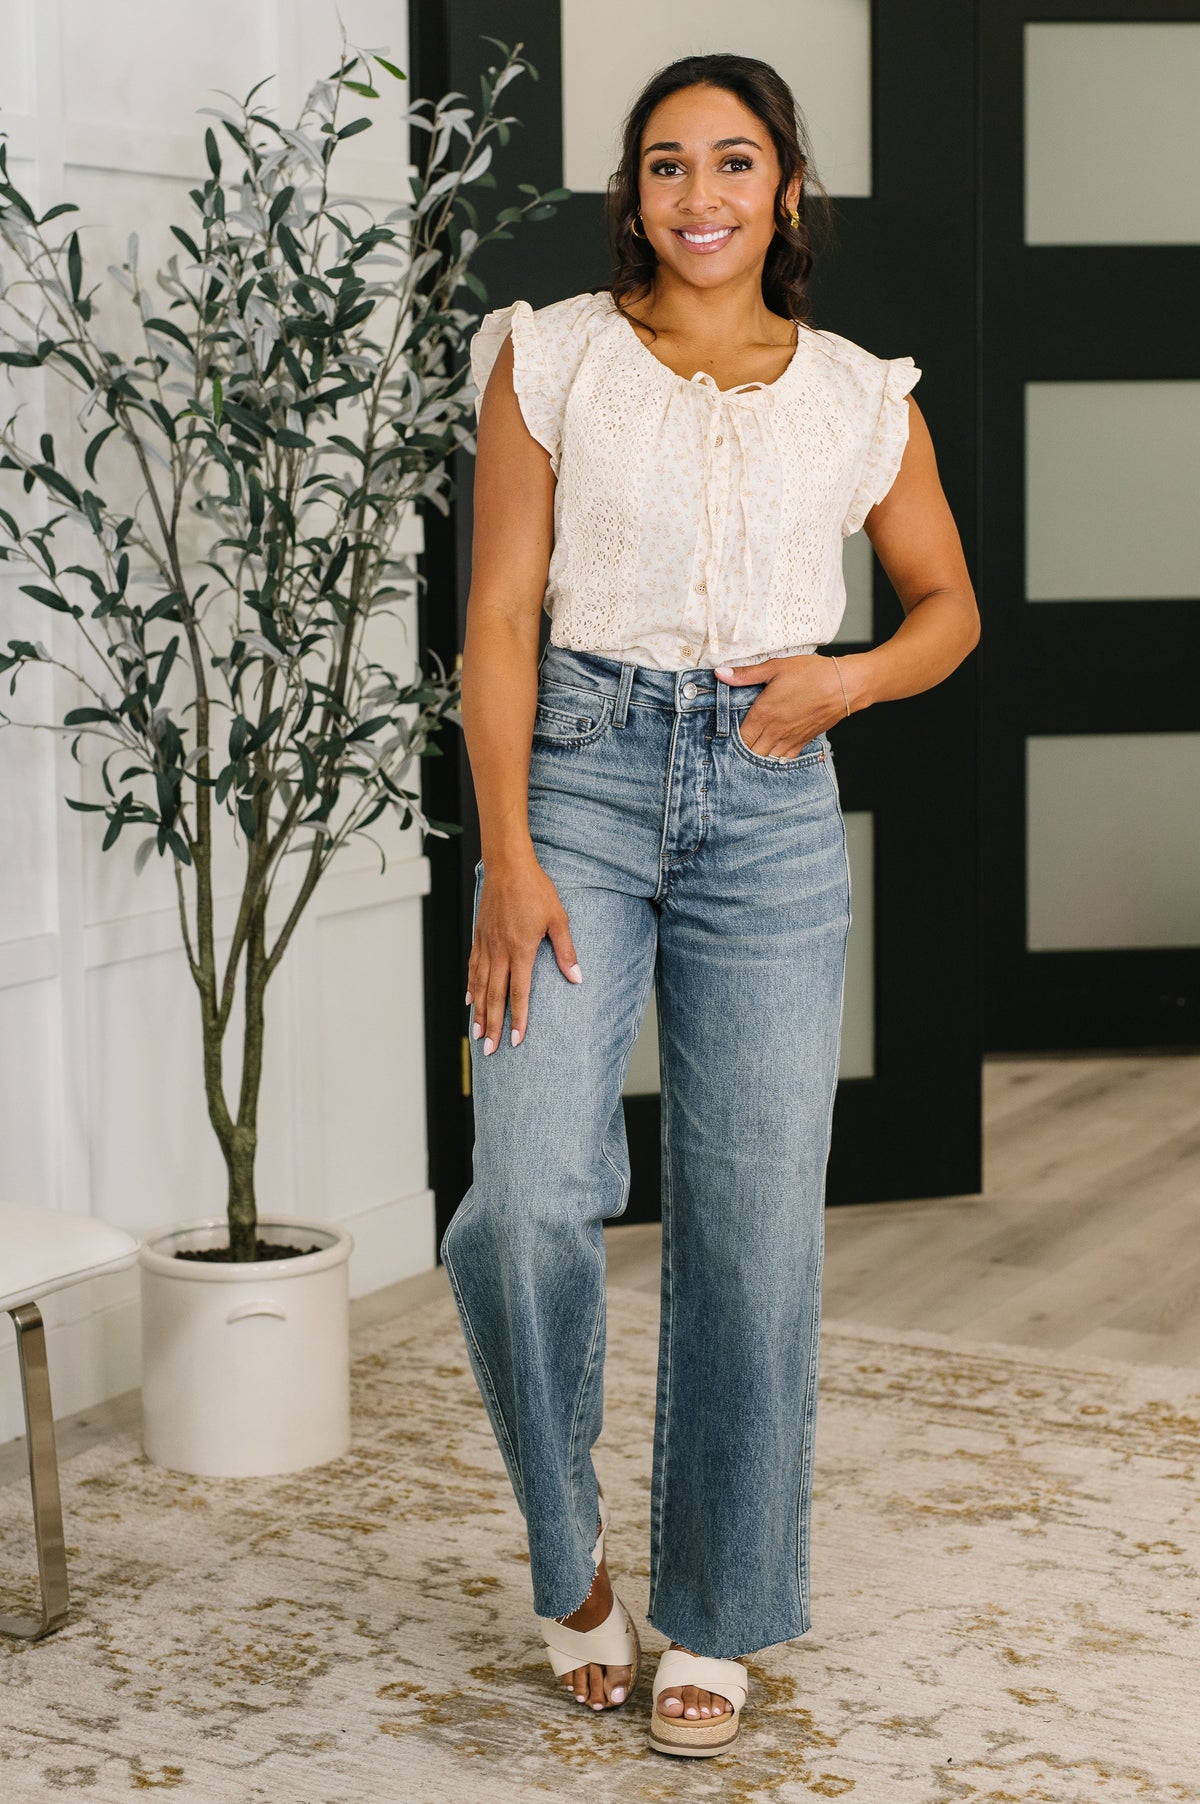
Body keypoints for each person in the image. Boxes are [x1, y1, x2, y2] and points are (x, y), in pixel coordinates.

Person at [440, 51, 979, 1760]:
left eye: (733, 163)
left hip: (766, 797)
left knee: (754, 1230)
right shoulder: (556, 358)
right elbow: (501, 621)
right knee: (525, 1191)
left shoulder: (855, 396)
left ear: (786, 194)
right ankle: (572, 1562)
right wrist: (506, 855)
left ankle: (721, 1608)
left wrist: (854, 680)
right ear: (636, 192)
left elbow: (950, 604)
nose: (699, 195)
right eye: (667, 165)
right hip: (578, 784)